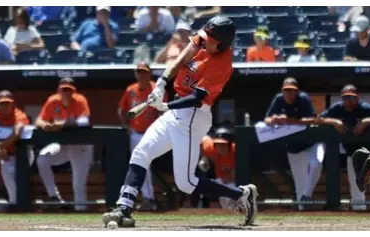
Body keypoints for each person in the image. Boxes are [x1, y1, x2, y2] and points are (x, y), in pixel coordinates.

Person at [102, 16, 258, 228]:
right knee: (140, 153)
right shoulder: (203, 38)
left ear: (222, 43)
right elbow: (181, 60)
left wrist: (165, 106)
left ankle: (242, 194)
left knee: (186, 183)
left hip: (193, 115)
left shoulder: (222, 64)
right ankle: (123, 208)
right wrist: (160, 83)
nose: (205, 40)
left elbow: (196, 98)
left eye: (211, 38)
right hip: (176, 111)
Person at [316, 85, 370, 212]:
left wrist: (367, 122)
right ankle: (358, 213)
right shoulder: (338, 109)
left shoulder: (365, 108)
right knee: (356, 186)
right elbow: (319, 119)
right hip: (353, 154)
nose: (348, 100)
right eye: (345, 97)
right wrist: (334, 122)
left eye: (351, 97)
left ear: (357, 97)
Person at [264, 78, 323, 210]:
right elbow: (267, 119)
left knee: (316, 164)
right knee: (299, 184)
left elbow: (312, 119)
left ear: (297, 91)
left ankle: (307, 196)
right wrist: (273, 120)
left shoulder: (303, 99)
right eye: (286, 91)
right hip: (293, 147)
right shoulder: (279, 99)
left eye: (292, 91)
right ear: (282, 91)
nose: (289, 94)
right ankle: (302, 212)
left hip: (310, 143)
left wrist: (290, 120)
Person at [35, 78, 93, 211]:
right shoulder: (53, 100)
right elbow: (39, 119)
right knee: (42, 159)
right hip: (63, 145)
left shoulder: (80, 100)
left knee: (78, 185)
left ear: (73, 91)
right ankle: (54, 197)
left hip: (81, 146)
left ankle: (81, 213)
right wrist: (45, 125)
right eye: (63, 90)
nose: (66, 93)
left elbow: (85, 120)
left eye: (69, 90)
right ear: (58, 90)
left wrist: (62, 124)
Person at [118, 62, 167, 211]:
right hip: (135, 133)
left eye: (144, 72)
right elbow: (121, 109)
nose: (141, 75)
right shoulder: (131, 90)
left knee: (143, 164)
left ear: (149, 74)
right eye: (139, 72)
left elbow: (163, 111)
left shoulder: (156, 89)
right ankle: (148, 198)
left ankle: (149, 198)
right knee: (140, 164)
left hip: (152, 133)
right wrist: (126, 126)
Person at [0, 90, 32, 205]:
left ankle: (24, 206)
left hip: (22, 154)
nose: (4, 106)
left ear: (12, 104)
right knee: (10, 185)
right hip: (6, 156)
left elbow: (17, 133)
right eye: (2, 103)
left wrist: (0, 147)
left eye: (7, 103)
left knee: (20, 181)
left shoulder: (19, 115)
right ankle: (15, 206)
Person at [200, 127, 237, 210]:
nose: (220, 147)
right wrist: (204, 157)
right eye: (218, 144)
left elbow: (231, 178)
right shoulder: (210, 148)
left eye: (223, 144)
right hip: (221, 179)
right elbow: (202, 138)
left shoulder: (236, 151)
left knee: (230, 188)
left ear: (230, 144)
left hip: (238, 181)